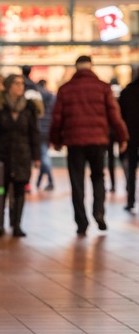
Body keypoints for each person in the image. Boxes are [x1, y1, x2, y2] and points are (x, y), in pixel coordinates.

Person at [49, 56, 129, 236]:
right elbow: (115, 116)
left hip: (74, 141)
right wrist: (123, 137)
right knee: (98, 177)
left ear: (76, 68)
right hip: (98, 141)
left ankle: (81, 222)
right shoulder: (103, 87)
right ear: (91, 67)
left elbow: (57, 118)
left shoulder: (65, 89)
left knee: (76, 182)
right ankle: (98, 212)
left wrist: (56, 140)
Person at [0, 74, 41, 237]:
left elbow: (34, 133)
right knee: (1, 190)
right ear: (8, 87)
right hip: (2, 154)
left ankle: (17, 224)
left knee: (20, 190)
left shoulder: (29, 107)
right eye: (16, 84)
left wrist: (37, 156)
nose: (20, 87)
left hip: (22, 154)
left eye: (22, 84)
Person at [119, 71, 139, 213]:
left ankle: (130, 200)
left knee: (131, 170)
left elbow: (120, 117)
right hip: (131, 136)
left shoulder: (127, 92)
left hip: (131, 137)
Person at [35, 79, 56, 191]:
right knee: (44, 155)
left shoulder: (37, 97)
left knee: (43, 156)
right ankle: (40, 181)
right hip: (48, 130)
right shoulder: (52, 97)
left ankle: (50, 180)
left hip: (39, 130)